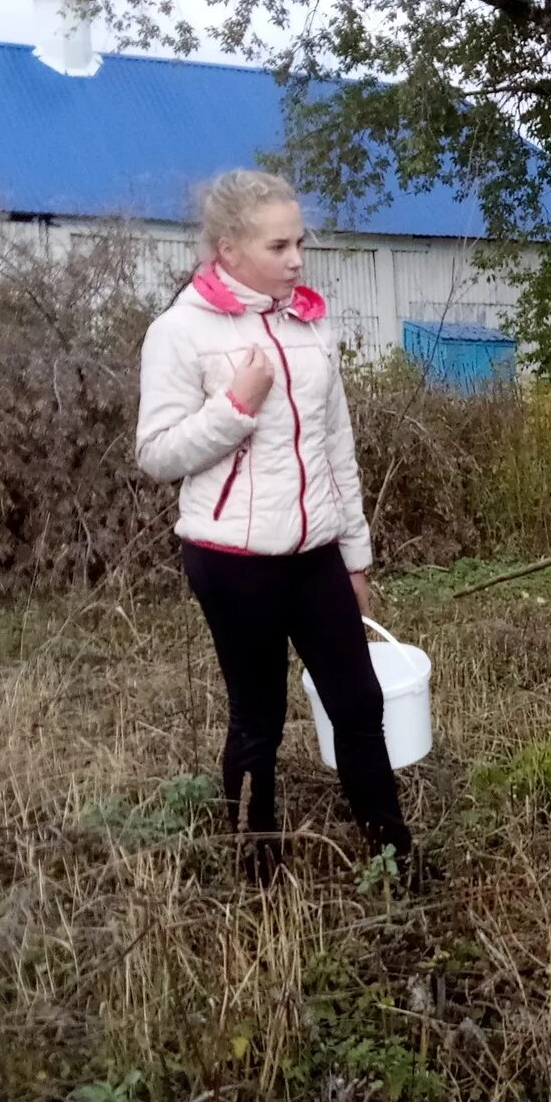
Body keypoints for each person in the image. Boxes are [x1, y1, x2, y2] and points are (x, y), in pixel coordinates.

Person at [135, 169, 416, 879]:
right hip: (232, 560)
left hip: (315, 552)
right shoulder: (179, 331)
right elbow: (157, 455)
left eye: (300, 243)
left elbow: (335, 447)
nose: (297, 259)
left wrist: (354, 558)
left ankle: (394, 856)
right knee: (258, 717)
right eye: (279, 245)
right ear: (228, 249)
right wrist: (236, 405)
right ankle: (257, 867)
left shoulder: (308, 322)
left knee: (360, 700)